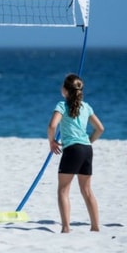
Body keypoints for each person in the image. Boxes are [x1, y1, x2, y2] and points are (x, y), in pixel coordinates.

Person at [47, 73, 104, 233]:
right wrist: (88, 141)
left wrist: (52, 142)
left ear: (65, 90)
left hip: (72, 149)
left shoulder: (62, 105)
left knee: (63, 190)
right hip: (86, 149)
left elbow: (52, 126)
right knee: (86, 190)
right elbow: (100, 129)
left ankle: (66, 228)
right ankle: (95, 226)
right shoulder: (86, 107)